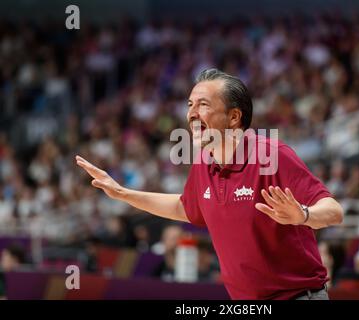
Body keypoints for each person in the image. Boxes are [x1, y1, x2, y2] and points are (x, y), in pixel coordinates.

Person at [76, 68, 344, 300]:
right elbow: (185, 208)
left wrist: (303, 215)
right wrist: (123, 193)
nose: (192, 113)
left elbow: (334, 212)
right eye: (189, 105)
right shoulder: (204, 161)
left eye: (203, 105)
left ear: (234, 117)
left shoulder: (271, 155)